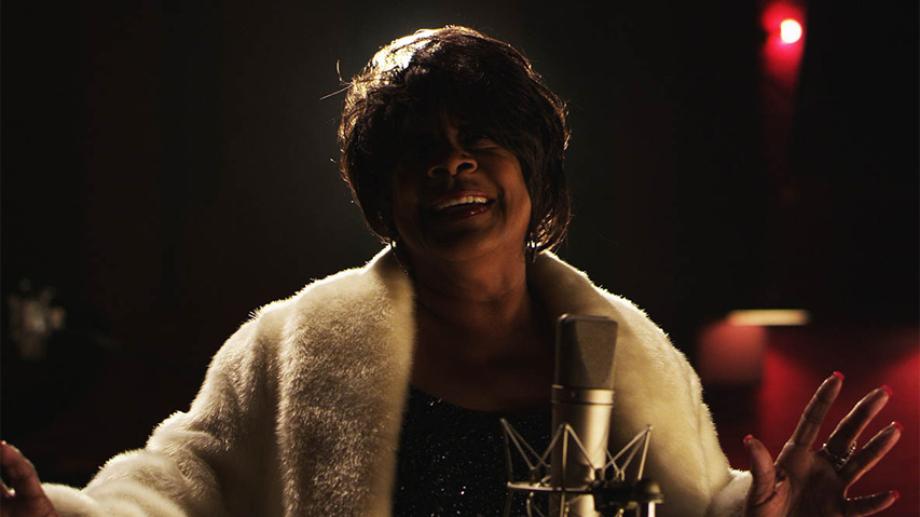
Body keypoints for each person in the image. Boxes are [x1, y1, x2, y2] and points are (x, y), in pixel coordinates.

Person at [0, 26, 901, 517]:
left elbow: (695, 503)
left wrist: (767, 511)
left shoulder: (629, 348)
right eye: (419, 150)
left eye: (482, 140)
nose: (452, 164)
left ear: (534, 171)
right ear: (382, 194)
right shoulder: (290, 343)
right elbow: (168, 487)